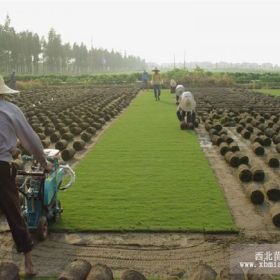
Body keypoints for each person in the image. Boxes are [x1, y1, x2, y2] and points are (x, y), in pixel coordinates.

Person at [0, 76, 52, 276]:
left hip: (5, 159)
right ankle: (29, 263)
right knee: (14, 212)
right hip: (2, 168)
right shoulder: (10, 110)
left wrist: (11, 149)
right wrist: (42, 162)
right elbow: (30, 139)